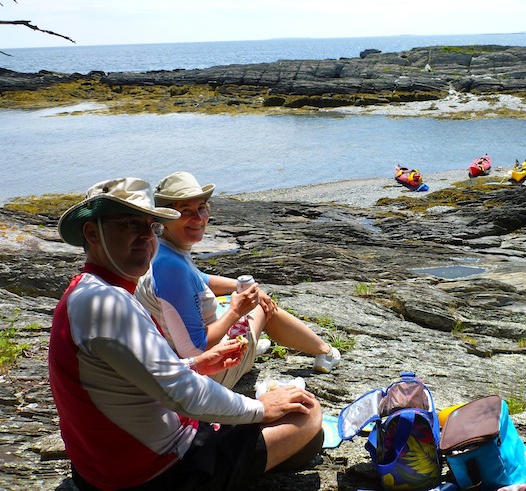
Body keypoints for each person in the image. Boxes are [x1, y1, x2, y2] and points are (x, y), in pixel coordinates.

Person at [48, 177, 323, 491]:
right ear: (92, 233)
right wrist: (263, 409)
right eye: (128, 224)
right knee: (308, 413)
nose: (144, 236)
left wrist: (197, 366)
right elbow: (186, 396)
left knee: (281, 409)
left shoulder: (92, 292)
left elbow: (136, 374)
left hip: (115, 466)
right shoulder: (107, 304)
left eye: (150, 226)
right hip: (161, 472)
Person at [135, 171, 341, 389]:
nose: (197, 218)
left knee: (250, 298)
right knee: (262, 307)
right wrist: (236, 312)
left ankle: (252, 341)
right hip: (207, 375)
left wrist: (241, 287)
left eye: (201, 208)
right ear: (166, 218)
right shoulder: (171, 267)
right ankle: (325, 352)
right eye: (185, 211)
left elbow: (200, 279)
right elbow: (194, 350)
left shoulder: (161, 249)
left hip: (175, 361)